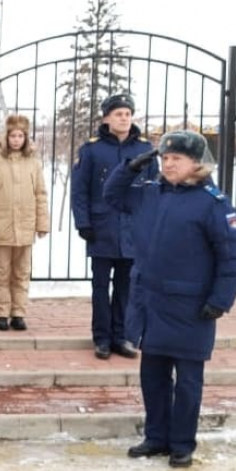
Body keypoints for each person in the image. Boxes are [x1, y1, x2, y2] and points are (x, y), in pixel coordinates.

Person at [104, 130, 236, 467]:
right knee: (152, 377)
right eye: (165, 158)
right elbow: (112, 196)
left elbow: (232, 257)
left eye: (176, 159)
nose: (168, 164)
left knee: (187, 383)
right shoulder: (150, 193)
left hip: (191, 307)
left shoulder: (214, 204)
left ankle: (182, 444)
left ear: (196, 164)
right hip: (151, 303)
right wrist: (130, 167)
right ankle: (156, 437)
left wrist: (220, 300)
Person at [71, 93, 159, 360]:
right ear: (107, 117)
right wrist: (83, 223)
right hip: (102, 228)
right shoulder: (92, 150)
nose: (124, 118)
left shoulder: (145, 150)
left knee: (127, 287)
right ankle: (101, 338)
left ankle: (122, 336)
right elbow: (80, 191)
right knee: (100, 287)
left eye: (127, 114)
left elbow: (155, 189)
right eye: (118, 113)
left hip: (133, 229)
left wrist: (151, 223)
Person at [0, 114, 49, 331]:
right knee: (1, 272)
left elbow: (41, 194)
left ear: (26, 138)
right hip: (1, 227)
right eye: (13, 136)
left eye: (20, 136)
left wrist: (42, 223)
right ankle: (1, 313)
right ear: (5, 138)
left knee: (21, 272)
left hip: (25, 227)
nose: (16, 140)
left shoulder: (34, 165)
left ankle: (18, 312)